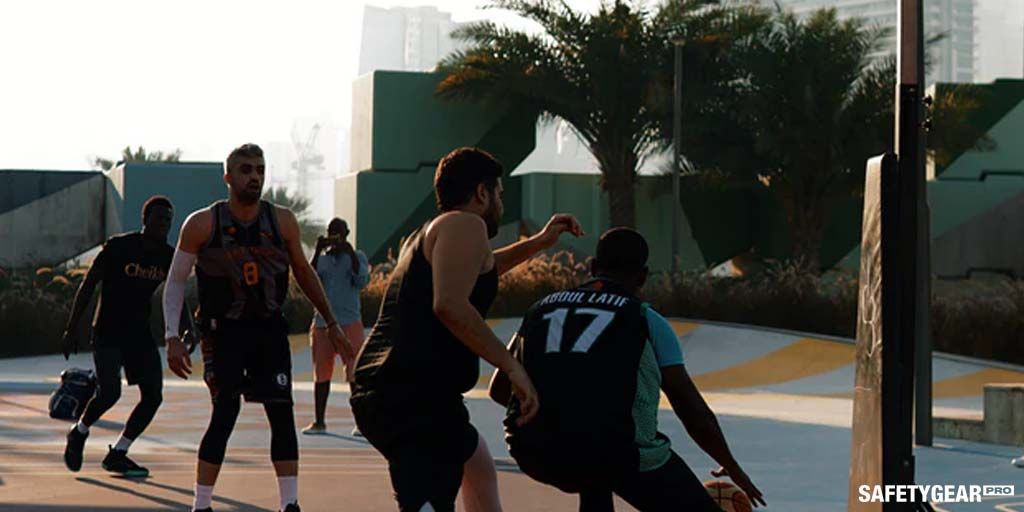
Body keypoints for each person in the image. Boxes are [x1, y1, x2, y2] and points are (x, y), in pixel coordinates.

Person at [350, 147, 583, 512]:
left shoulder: (437, 229)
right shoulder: (465, 224)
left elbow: (483, 268)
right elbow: (450, 305)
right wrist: (513, 368)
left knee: (477, 465)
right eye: (500, 194)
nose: (501, 204)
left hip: (401, 390)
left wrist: (538, 242)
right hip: (410, 397)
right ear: (481, 193)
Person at [490, 228, 767, 512]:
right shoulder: (646, 320)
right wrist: (732, 465)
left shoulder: (539, 310)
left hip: (532, 449)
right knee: (603, 451)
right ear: (643, 276)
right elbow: (693, 412)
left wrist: (559, 415)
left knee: (591, 467)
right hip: (615, 454)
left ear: (593, 268)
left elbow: (499, 389)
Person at [162, 143, 353, 512]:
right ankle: (201, 504)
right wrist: (172, 336)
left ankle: (290, 504)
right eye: (246, 169)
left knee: (281, 414)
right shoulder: (203, 223)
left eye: (260, 169)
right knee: (225, 411)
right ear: (228, 177)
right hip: (223, 331)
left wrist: (333, 323)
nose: (255, 176)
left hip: (268, 329)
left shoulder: (281, 221)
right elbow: (175, 282)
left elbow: (304, 271)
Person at [61, 195, 177, 478]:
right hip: (108, 331)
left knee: (153, 396)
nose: (164, 225)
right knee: (110, 392)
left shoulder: (168, 255)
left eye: (168, 221)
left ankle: (119, 453)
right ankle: (79, 433)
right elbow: (89, 284)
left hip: (139, 334)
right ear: (145, 219)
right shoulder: (119, 247)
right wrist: (72, 326)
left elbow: (175, 293)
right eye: (159, 218)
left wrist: (183, 327)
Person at [302, 218, 370, 436]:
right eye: (332, 233)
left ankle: (361, 423)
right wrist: (317, 251)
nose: (336, 237)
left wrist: (349, 253)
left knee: (354, 373)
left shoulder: (357, 256)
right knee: (321, 373)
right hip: (323, 324)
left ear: (347, 234)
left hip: (349, 322)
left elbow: (362, 281)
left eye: (339, 233)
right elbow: (307, 279)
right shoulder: (322, 260)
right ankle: (319, 421)